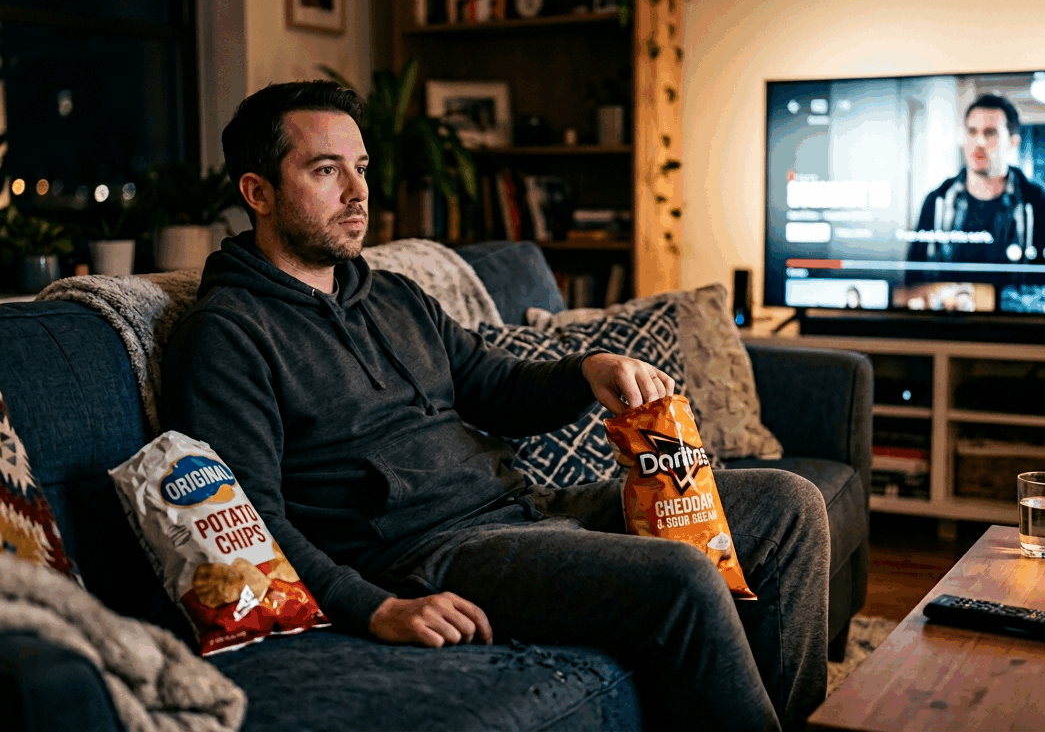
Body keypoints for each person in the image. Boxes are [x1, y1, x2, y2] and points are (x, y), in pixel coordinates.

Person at [159, 81, 829, 731]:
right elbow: (247, 518)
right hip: (429, 551)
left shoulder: (394, 297)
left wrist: (586, 369)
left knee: (789, 508)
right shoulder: (226, 335)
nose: (359, 192)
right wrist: (375, 607)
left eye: (360, 168)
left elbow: (498, 390)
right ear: (259, 193)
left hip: (523, 508)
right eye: (326, 170)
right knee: (682, 578)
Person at [906, 94, 1045, 280]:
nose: (978, 142)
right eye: (972, 131)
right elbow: (913, 276)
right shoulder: (938, 200)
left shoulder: (1037, 203)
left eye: (990, 133)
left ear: (1013, 142)